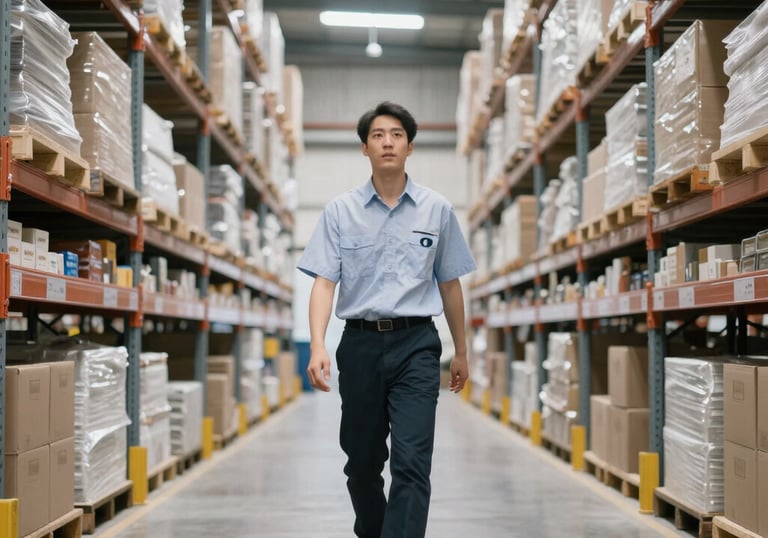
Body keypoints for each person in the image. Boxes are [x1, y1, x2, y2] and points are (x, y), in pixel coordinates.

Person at [297, 101, 476, 538]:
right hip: (358, 346)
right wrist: (318, 344)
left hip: (416, 345)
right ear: (365, 148)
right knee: (361, 464)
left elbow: (450, 285)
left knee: (413, 463)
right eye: (378, 135)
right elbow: (324, 283)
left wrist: (462, 353)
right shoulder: (340, 212)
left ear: (410, 146)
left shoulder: (437, 210)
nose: (388, 142)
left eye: (396, 134)